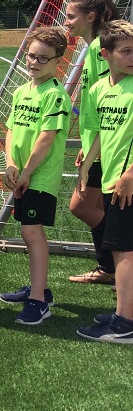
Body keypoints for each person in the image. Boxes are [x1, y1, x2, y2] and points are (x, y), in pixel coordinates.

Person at [0, 27, 72, 325]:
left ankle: (39, 301)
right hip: (22, 173)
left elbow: (46, 138)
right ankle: (41, 289)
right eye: (31, 56)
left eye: (43, 58)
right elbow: (12, 129)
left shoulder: (55, 95)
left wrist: (26, 172)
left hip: (40, 176)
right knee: (30, 231)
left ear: (57, 61)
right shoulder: (21, 91)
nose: (34, 62)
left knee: (31, 232)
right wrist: (12, 164)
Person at [76, 20, 133, 343]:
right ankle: (123, 311)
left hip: (128, 183)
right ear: (105, 54)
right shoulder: (99, 89)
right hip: (112, 180)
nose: (132, 57)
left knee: (126, 252)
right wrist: (87, 164)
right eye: (126, 51)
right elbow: (98, 133)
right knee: (120, 250)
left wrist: (129, 175)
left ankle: (125, 323)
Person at [65, 0, 120, 285]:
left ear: (91, 17)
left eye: (71, 16)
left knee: (81, 206)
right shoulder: (93, 48)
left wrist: (93, 148)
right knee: (96, 207)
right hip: (98, 144)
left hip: (108, 145)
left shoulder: (101, 48)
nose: (66, 22)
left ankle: (116, 261)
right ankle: (111, 267)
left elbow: (106, 101)